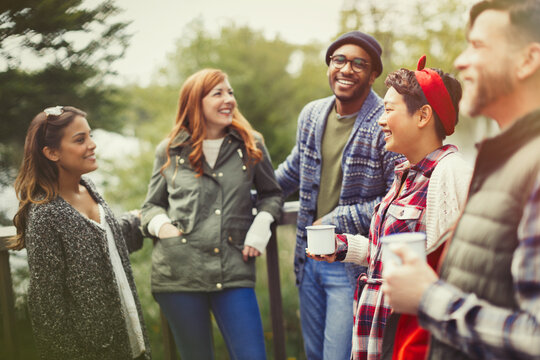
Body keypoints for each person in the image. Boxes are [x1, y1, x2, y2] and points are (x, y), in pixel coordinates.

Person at [381, 1, 540, 359]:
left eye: (478, 46)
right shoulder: (499, 160)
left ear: (527, 60)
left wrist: (429, 298)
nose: (461, 61)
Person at [307, 56, 472, 360]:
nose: (381, 120)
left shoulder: (451, 175)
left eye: (388, 110)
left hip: (409, 338)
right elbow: (393, 258)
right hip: (379, 333)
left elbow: (456, 273)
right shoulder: (404, 175)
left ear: (422, 116)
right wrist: (344, 247)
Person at [275, 31, 402, 359]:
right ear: (329, 66)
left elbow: (395, 197)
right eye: (339, 60)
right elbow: (292, 171)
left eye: (360, 64)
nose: (347, 69)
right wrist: (247, 199)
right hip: (308, 261)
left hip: (351, 265)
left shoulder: (384, 123)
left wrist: (337, 219)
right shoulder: (312, 115)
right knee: (314, 354)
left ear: (373, 75)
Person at [141, 68, 283, 360]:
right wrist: (162, 226)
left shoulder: (251, 145)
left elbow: (272, 195)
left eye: (229, 92)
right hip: (179, 273)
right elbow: (150, 206)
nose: (228, 99)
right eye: (218, 93)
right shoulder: (169, 150)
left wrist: (262, 223)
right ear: (196, 102)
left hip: (233, 270)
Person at [9, 106, 150, 360]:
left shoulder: (88, 188)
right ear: (51, 152)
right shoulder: (45, 215)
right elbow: (47, 308)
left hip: (132, 340)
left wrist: (140, 220)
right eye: (80, 139)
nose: (92, 145)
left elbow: (104, 243)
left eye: (90, 135)